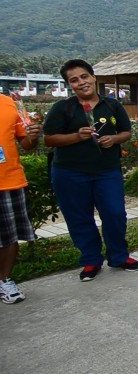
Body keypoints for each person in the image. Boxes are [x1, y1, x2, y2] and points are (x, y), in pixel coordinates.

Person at [43, 59, 138, 282]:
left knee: (115, 213)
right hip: (69, 172)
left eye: (84, 77)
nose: (81, 83)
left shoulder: (112, 105)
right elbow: (49, 139)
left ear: (93, 77)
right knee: (79, 217)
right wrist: (76, 136)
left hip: (107, 171)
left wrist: (114, 138)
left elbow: (126, 132)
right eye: (74, 80)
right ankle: (91, 260)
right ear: (70, 85)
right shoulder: (63, 108)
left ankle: (118, 256)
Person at [0, 93, 41, 302]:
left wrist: (32, 135)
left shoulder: (10, 103)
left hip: (9, 182)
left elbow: (26, 144)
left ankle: (4, 279)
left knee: (9, 236)